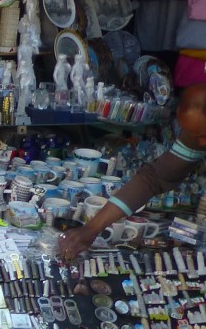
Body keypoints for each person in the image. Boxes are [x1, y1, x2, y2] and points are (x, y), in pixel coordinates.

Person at [60, 83, 206, 259]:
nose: (202, 143)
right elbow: (153, 178)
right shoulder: (197, 136)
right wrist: (91, 228)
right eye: (195, 135)